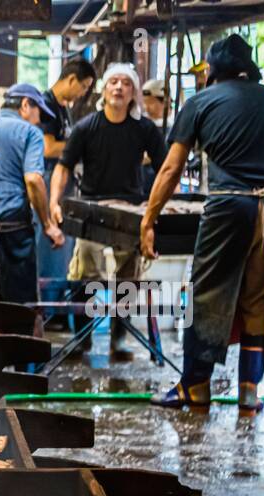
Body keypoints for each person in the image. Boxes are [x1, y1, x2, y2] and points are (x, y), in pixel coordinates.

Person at [142, 34, 264, 412]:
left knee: (208, 295)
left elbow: (171, 168)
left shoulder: (201, 102)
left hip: (229, 206)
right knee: (259, 299)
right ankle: (250, 392)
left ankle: (196, 387)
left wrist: (149, 219)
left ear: (212, 72)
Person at [50, 62, 167, 359]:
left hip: (131, 213)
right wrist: (53, 202)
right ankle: (84, 338)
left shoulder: (144, 129)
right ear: (104, 88)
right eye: (113, 82)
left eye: (125, 84)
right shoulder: (86, 127)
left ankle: (119, 339)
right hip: (92, 212)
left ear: (133, 93)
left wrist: (159, 209)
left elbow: (167, 168)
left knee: (127, 280)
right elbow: (63, 167)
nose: (118, 88)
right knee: (85, 276)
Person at [36, 59, 98, 323]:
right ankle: (48, 310)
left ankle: (58, 308)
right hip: (51, 181)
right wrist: (81, 146)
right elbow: (48, 148)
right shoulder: (46, 105)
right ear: (71, 80)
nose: (83, 92)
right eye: (83, 86)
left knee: (63, 252)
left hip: (66, 184)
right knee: (52, 246)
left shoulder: (63, 109)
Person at [0, 83, 65, 304]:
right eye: (39, 115)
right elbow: (34, 179)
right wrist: (47, 224)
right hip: (13, 226)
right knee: (20, 306)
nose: (39, 123)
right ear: (25, 105)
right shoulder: (29, 132)